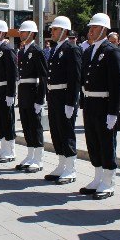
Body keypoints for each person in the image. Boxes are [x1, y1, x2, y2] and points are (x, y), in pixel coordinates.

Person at [79, 13, 120, 198]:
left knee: (106, 143)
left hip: (105, 104)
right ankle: (98, 177)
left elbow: (117, 85)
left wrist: (114, 112)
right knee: (93, 142)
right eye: (90, 28)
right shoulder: (89, 51)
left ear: (104, 30)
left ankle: (108, 181)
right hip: (90, 103)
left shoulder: (112, 51)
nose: (90, 31)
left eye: (95, 28)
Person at [43, 16, 81, 184]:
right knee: (56, 131)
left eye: (55, 29)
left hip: (64, 96)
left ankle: (70, 168)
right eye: (52, 29)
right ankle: (61, 164)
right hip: (54, 96)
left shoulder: (71, 49)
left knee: (66, 132)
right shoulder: (56, 49)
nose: (52, 31)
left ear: (65, 31)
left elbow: (75, 79)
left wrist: (71, 103)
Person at [16, 20, 48, 173]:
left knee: (35, 126)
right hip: (23, 92)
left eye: (23, 32)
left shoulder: (37, 51)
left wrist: (40, 99)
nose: (20, 34)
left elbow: (43, 76)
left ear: (31, 34)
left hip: (33, 92)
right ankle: (30, 155)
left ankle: (38, 158)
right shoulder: (22, 51)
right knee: (26, 125)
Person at [0, 20, 18, 163]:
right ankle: (3, 147)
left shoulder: (7, 49)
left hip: (4, 90)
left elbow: (12, 74)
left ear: (1, 33)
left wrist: (11, 94)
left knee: (7, 120)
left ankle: (10, 150)